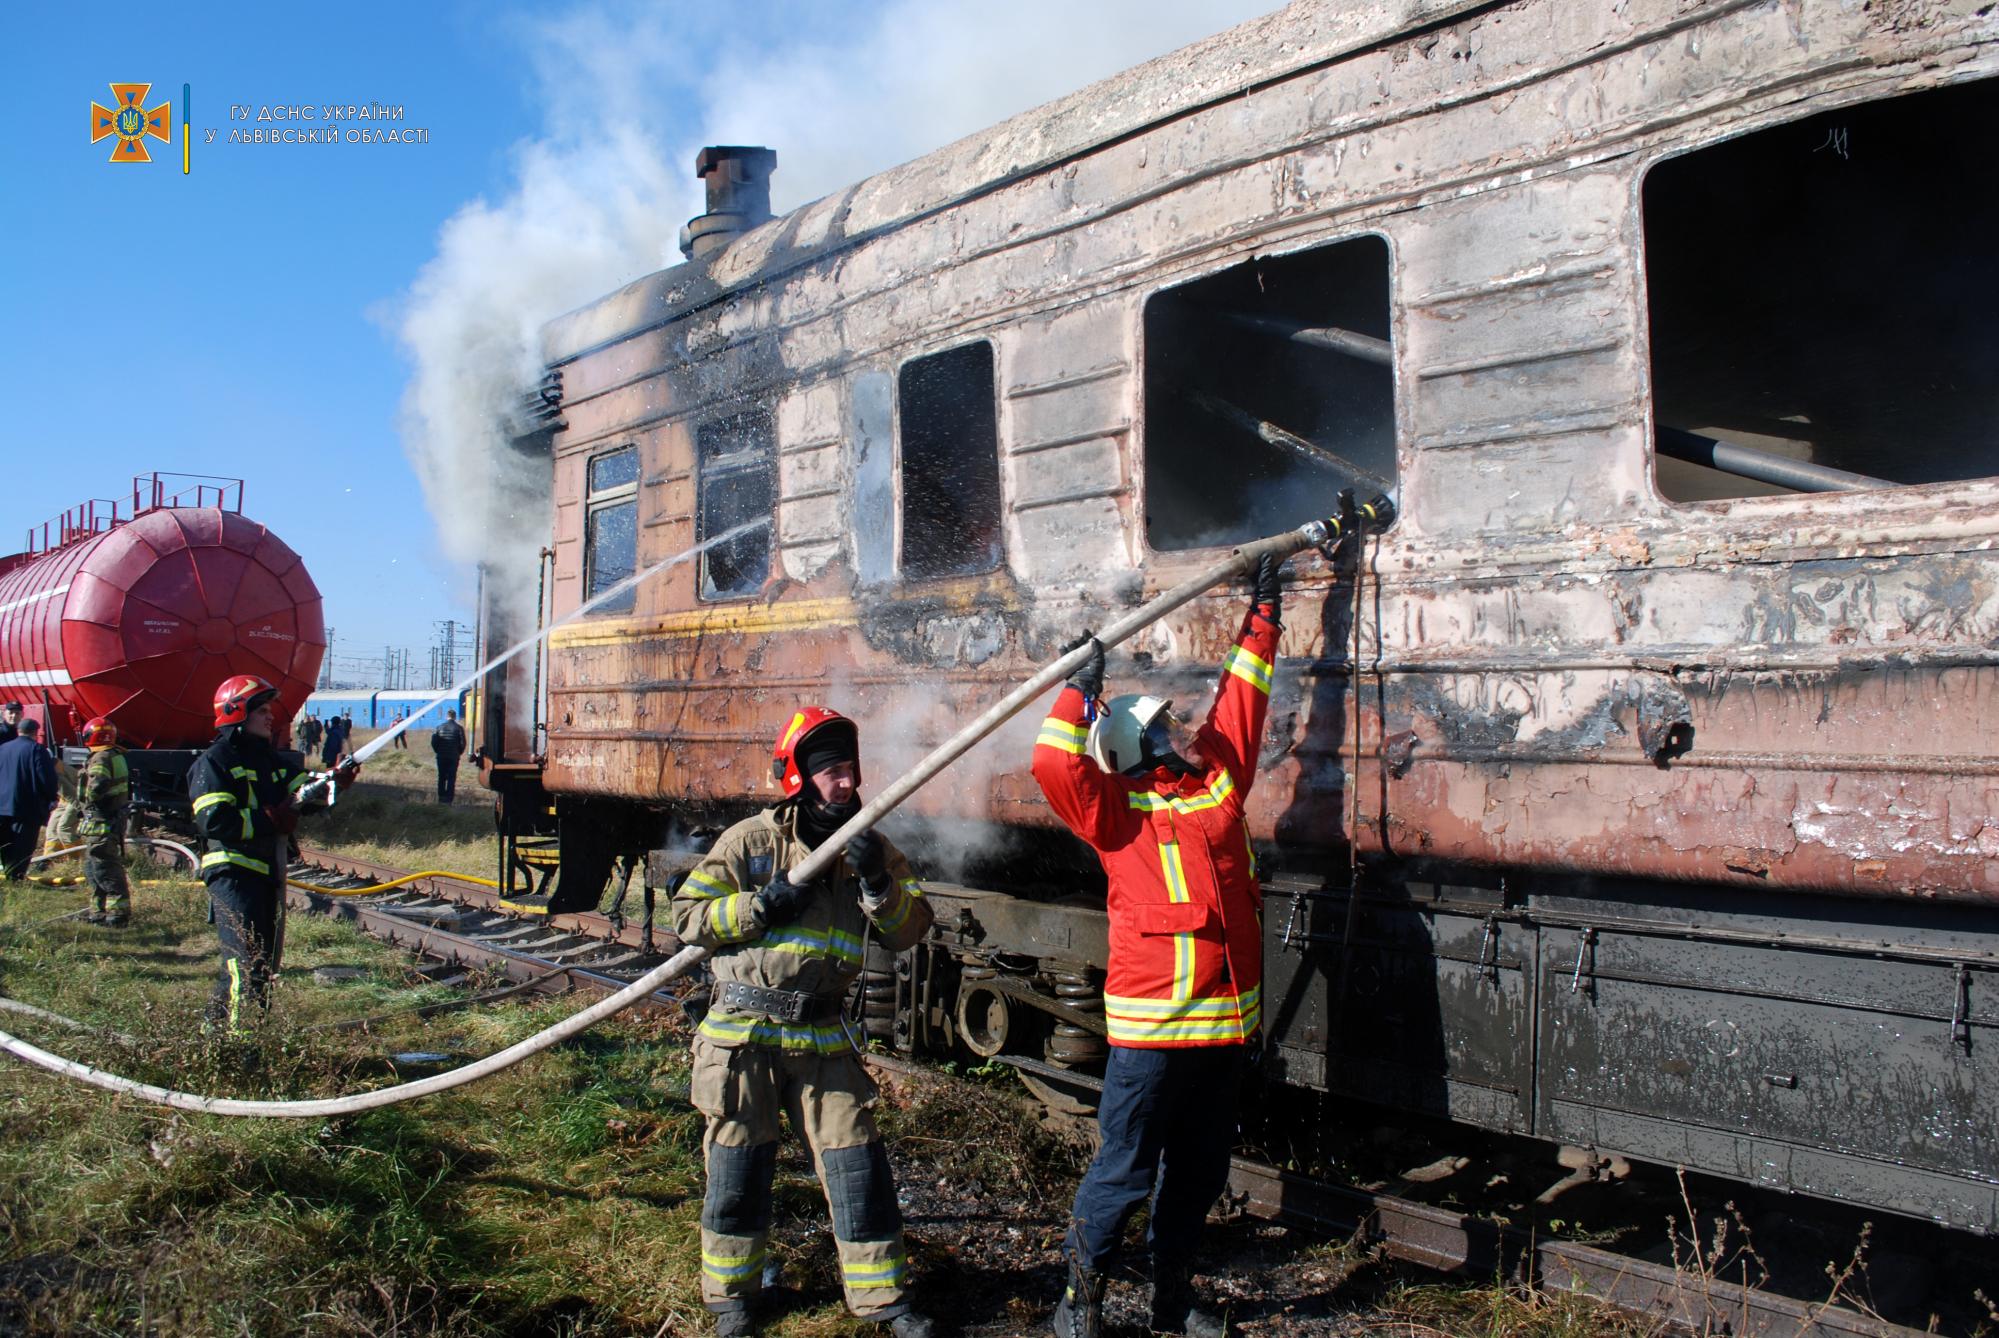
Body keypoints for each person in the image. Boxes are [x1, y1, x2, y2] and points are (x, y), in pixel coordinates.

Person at [1031, 554, 1289, 1338]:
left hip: (1221, 1034)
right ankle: (1078, 1304)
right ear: (1137, 749)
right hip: (1151, 1038)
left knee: (1198, 1178)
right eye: (1165, 727)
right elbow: (1051, 760)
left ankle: (1170, 1304)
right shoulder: (1115, 813)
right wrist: (1077, 691)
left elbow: (1241, 706)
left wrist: (1265, 614)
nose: (1184, 731)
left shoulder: (1215, 788)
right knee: (1123, 1173)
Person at [673, 708, 938, 1338]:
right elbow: (688, 919)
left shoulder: (869, 846)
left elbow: (910, 930)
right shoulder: (751, 842)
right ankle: (731, 1299)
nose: (844, 783)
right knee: (738, 1166)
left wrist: (877, 877)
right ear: (798, 777)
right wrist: (756, 907)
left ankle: (882, 1300)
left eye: (849, 770)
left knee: (858, 1166)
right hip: (744, 1036)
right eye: (830, 772)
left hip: (822, 1038)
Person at [190, 675, 355, 1032]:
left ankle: (217, 1035)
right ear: (237, 712)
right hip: (232, 872)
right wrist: (267, 819)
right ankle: (240, 1050)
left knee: (259, 962)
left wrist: (334, 782)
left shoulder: (271, 761)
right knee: (245, 962)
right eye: (262, 710)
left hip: (265, 872)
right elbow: (214, 821)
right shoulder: (214, 762)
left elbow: (303, 795)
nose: (271, 718)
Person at [78, 717, 131, 926]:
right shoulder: (116, 755)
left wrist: (88, 798)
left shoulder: (100, 758)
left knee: (105, 869)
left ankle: (117, 915)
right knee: (94, 868)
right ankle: (98, 912)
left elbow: (97, 785)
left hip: (101, 822)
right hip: (106, 821)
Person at [0, 718, 60, 880]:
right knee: (23, 845)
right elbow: (46, 777)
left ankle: (7, 871)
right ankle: (16, 877)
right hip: (27, 807)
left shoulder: (3, 748)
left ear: (18, 730)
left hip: (2, 806)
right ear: (35, 733)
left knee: (6, 842)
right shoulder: (37, 750)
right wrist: (51, 797)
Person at [430, 709, 466, 803]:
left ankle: (441, 797)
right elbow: (463, 743)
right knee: (451, 777)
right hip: (453, 756)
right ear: (454, 717)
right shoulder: (459, 728)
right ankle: (449, 799)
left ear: (447, 716)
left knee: (441, 776)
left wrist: (438, 751)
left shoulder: (439, 727)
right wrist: (458, 752)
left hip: (441, 756)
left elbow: (434, 742)